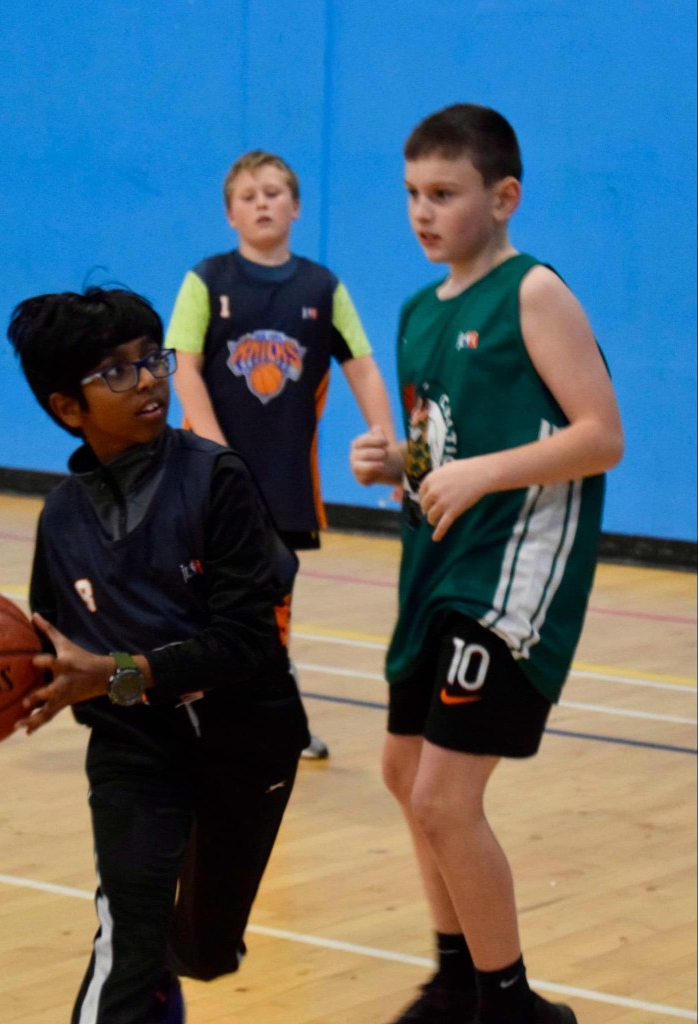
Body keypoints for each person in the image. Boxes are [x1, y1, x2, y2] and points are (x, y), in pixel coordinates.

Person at [349, 104, 624, 1024]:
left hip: (511, 572)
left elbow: (600, 436)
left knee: (443, 795)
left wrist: (482, 473)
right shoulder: (415, 312)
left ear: (503, 198)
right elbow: (441, 449)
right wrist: (394, 463)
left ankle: (510, 1007)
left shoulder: (532, 292)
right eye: (410, 194)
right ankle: (455, 980)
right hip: (435, 568)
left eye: (443, 193)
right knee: (403, 774)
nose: (421, 213)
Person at [7, 286, 310, 1024]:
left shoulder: (216, 479)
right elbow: (53, 648)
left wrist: (117, 674)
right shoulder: (61, 518)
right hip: (136, 747)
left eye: (152, 359)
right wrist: (16, 686)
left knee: (199, 950)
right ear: (67, 407)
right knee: (131, 926)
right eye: (116, 371)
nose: (147, 380)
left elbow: (247, 643)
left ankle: (161, 979)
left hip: (245, 741)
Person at [166, 149, 397, 760]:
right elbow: (183, 367)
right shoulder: (206, 280)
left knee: (273, 611)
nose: (262, 203)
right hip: (208, 479)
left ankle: (275, 722)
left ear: (295, 207)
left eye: (273, 193)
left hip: (284, 481)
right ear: (230, 215)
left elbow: (363, 366)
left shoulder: (322, 288)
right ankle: (189, 711)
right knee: (202, 602)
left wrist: (389, 445)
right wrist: (215, 450)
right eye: (248, 196)